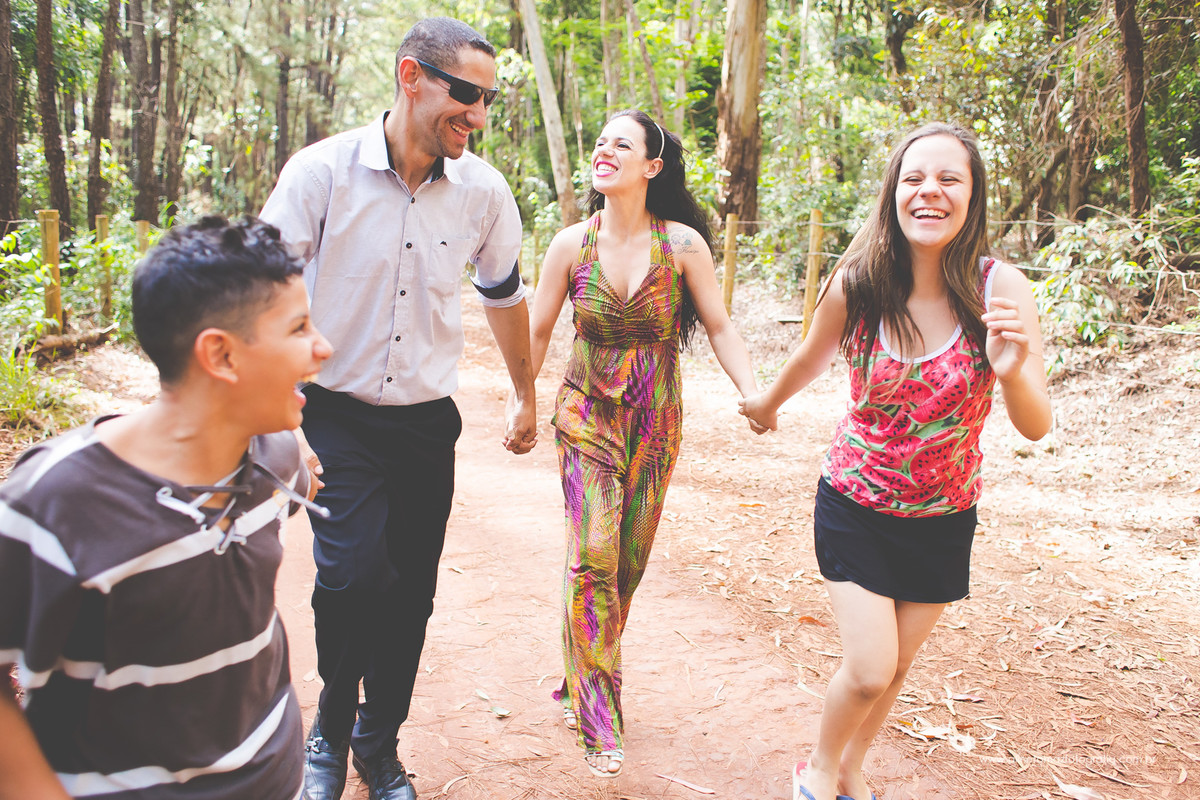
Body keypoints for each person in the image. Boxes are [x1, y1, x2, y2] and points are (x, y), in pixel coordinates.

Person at [258, 16, 538, 800]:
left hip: (423, 422)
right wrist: (277, 407)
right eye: (467, 96)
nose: (478, 117)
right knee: (349, 579)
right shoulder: (321, 175)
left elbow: (504, 294)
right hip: (334, 413)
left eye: (488, 102)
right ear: (411, 77)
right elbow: (264, 293)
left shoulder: (482, 192)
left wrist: (524, 391)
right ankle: (329, 735)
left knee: (411, 590)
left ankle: (378, 747)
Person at [739, 122, 1052, 800]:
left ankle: (854, 769)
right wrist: (764, 404)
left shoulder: (1002, 291)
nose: (929, 192)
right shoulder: (859, 283)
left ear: (974, 196)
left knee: (900, 665)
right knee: (871, 667)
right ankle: (819, 772)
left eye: (949, 179)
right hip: (856, 501)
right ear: (893, 193)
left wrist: (1014, 372)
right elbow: (811, 356)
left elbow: (1035, 426)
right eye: (914, 178)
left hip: (944, 513)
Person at [0, 216, 333, 799]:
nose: (323, 347)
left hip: (276, 778)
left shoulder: (275, 456)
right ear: (221, 355)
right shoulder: (51, 504)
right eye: (300, 327)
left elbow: (285, 498)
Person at [525, 109, 767, 779]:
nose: (604, 150)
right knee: (593, 557)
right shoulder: (571, 244)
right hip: (585, 414)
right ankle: (600, 716)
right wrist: (521, 400)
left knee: (624, 562)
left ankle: (580, 670)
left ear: (650, 167)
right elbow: (538, 330)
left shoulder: (684, 245)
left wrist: (751, 391)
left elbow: (719, 326)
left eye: (620, 144)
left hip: (657, 420)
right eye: (599, 141)